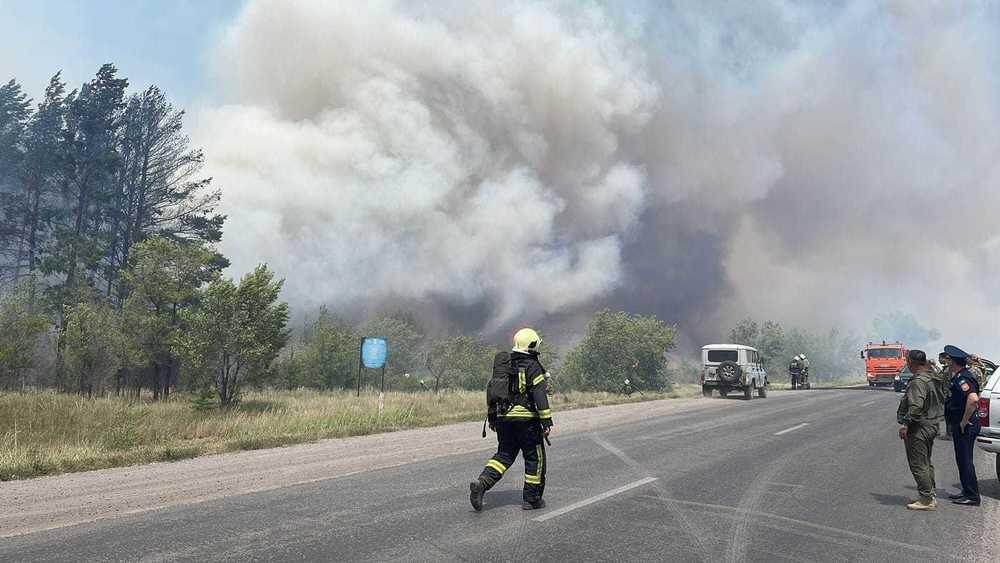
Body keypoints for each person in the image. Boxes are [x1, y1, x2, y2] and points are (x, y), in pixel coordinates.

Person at [470, 328, 553, 511]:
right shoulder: (533, 366)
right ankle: (531, 499)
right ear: (532, 344)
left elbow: (492, 390)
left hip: (503, 419)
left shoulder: (504, 365)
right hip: (527, 422)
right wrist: (547, 422)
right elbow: (540, 395)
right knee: (534, 458)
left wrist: (493, 418)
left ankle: (482, 484)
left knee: (504, 455)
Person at [896, 350, 943, 510]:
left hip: (920, 427)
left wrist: (906, 425)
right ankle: (930, 492)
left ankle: (926, 499)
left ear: (912, 362)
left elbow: (916, 407)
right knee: (926, 462)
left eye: (907, 361)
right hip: (932, 424)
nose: (906, 364)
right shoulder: (933, 377)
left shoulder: (918, 382)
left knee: (918, 463)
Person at [942, 345, 981, 506]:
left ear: (954, 362)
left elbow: (973, 399)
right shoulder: (959, 376)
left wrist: (964, 421)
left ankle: (972, 496)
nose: (947, 363)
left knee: (965, 460)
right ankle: (966, 490)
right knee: (962, 459)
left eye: (949, 360)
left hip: (966, 425)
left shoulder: (963, 377)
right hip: (961, 425)